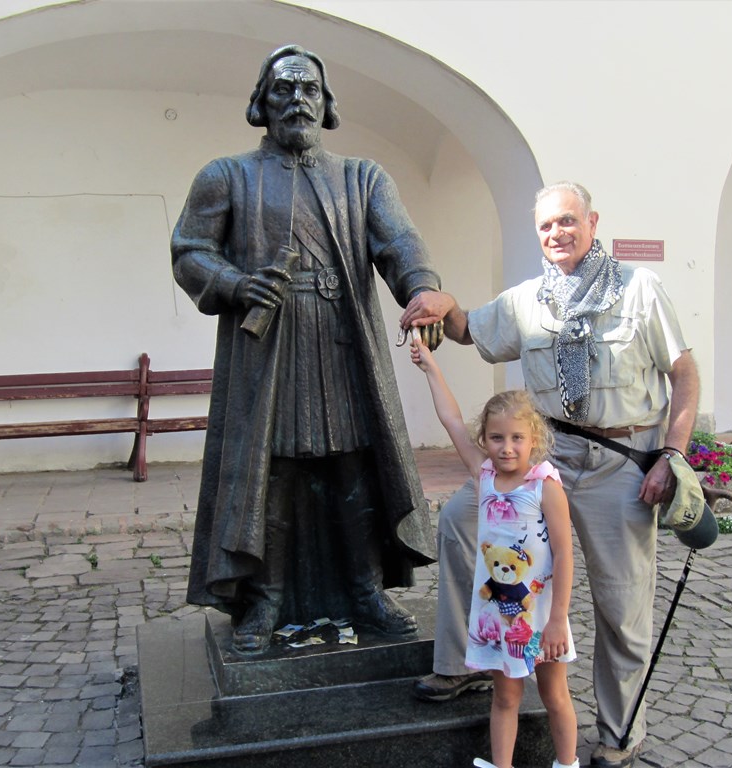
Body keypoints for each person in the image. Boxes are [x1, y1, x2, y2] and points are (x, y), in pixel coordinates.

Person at [400, 181, 700, 768]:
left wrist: (673, 453)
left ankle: (619, 734)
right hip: (547, 456)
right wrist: (442, 300)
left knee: (621, 603)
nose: (557, 234)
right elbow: (466, 328)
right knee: (462, 518)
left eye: (567, 221)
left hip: (621, 462)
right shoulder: (526, 300)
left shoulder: (641, 289)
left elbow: (684, 375)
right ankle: (469, 662)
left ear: (592, 221)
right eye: (545, 226)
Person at [172, 44, 444, 655]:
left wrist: (422, 290)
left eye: (309, 91)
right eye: (284, 90)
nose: (298, 100)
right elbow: (190, 251)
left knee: (351, 465)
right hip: (268, 351)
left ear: (327, 105)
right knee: (274, 472)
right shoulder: (227, 176)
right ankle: (263, 599)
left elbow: (399, 242)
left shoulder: (362, 177)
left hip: (343, 343)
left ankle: (365, 589)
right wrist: (236, 283)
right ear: (261, 104)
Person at [410, 330, 580, 768]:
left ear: (533, 440)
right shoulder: (483, 476)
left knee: (554, 694)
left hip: (540, 613)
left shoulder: (544, 485)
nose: (507, 448)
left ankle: (567, 764)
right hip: (498, 614)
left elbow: (564, 554)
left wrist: (559, 620)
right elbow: (450, 419)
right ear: (484, 439)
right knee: (505, 695)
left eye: (517, 439)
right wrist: (431, 367)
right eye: (497, 438)